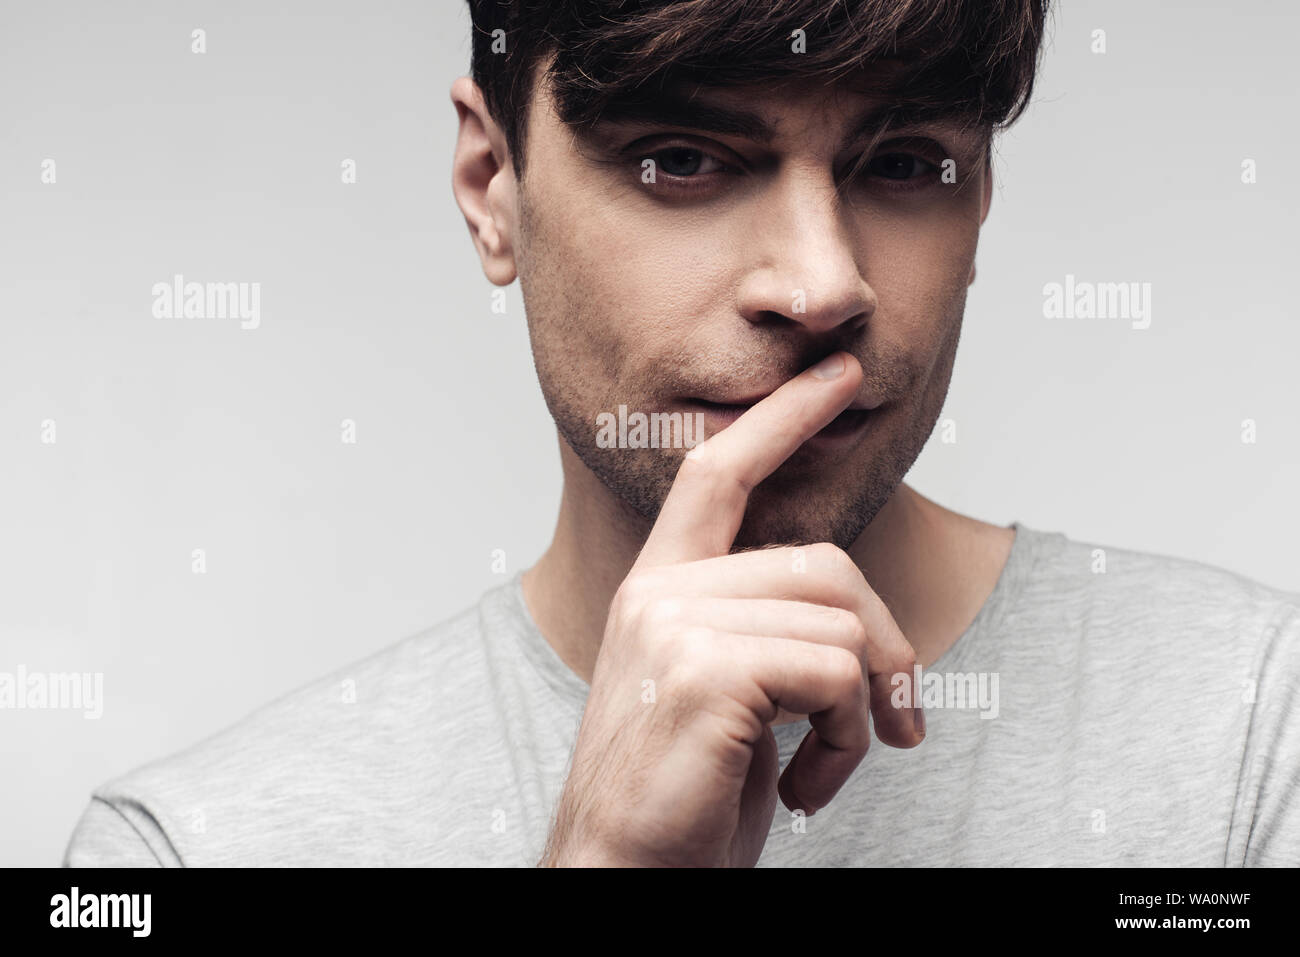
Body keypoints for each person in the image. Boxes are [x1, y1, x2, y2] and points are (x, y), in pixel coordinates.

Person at [64, 0, 1298, 867]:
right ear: (493, 190)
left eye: (904, 163)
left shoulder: (1254, 733)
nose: (821, 286)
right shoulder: (188, 851)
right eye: (680, 160)